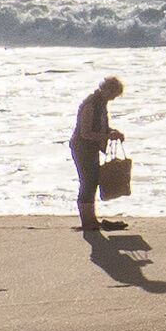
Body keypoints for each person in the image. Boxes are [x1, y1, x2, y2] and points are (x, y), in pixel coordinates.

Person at [71, 74, 127, 233]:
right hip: (82, 148)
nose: (113, 98)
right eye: (113, 94)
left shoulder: (101, 104)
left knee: (93, 181)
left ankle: (91, 219)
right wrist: (107, 136)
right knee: (87, 182)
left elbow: (100, 127)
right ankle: (87, 221)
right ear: (106, 90)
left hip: (91, 148)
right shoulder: (90, 104)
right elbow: (85, 133)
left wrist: (113, 132)